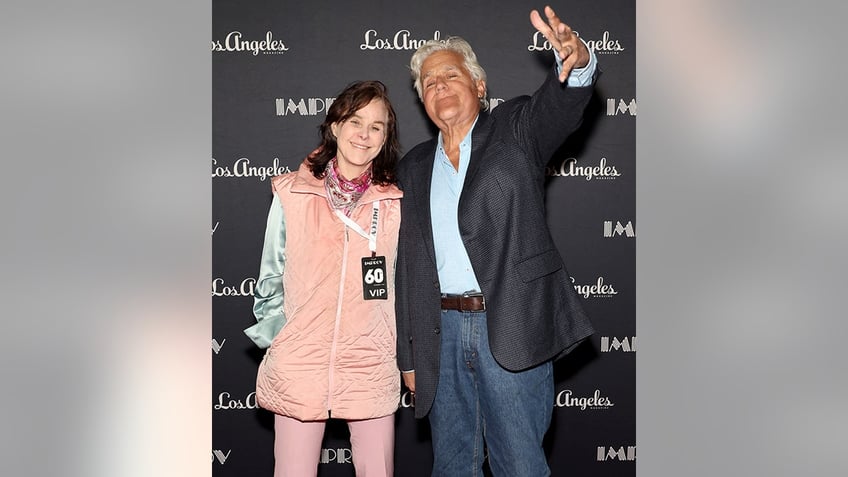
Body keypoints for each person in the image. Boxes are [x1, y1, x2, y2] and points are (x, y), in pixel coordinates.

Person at [394, 6, 597, 476]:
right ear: (422, 99)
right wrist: (410, 355)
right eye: (428, 81)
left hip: (509, 325)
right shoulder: (413, 166)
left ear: (479, 86)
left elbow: (558, 108)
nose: (438, 85)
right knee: (450, 466)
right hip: (439, 335)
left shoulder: (515, 128)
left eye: (449, 74)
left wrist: (577, 60)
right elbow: (408, 269)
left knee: (520, 465)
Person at [245, 80, 403, 477]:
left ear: (386, 137)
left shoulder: (398, 200)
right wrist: (280, 337)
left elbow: (404, 282)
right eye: (355, 121)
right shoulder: (291, 194)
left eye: (377, 126)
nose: (364, 135)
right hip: (300, 363)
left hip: (371, 362)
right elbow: (270, 278)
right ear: (334, 126)